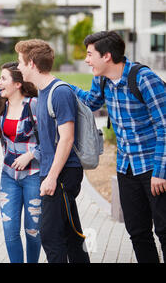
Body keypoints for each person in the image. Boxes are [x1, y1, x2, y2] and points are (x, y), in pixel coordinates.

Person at [70, 31, 166, 263]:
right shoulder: (102, 80)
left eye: (90, 54)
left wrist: (160, 173)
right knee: (137, 232)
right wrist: (57, 85)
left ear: (107, 56)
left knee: (164, 231)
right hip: (126, 168)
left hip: (154, 169)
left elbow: (164, 127)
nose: (86, 59)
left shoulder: (144, 79)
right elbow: (90, 102)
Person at [15, 39, 90, 263]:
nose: (18, 67)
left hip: (63, 174)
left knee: (50, 235)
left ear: (31, 63)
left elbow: (67, 139)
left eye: (20, 62)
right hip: (54, 173)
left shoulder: (59, 92)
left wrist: (51, 177)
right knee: (71, 234)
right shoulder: (43, 92)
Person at [0, 62, 42, 263]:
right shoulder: (0, 103)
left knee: (33, 230)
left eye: (3, 79)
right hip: (8, 176)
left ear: (18, 84)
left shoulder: (34, 105)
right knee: (9, 229)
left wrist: (30, 155)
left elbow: (53, 139)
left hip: (34, 176)